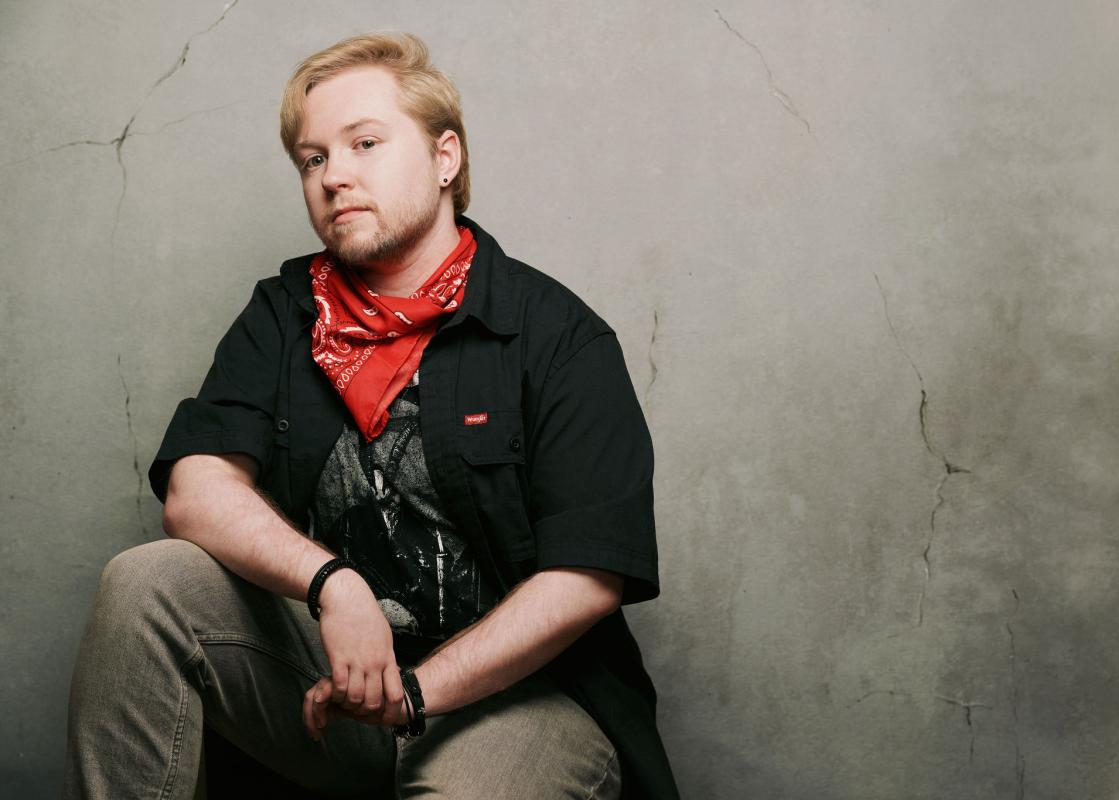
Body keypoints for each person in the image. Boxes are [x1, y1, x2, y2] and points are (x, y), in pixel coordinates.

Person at [61, 32, 678, 800]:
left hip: (519, 702)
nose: (334, 177)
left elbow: (587, 577)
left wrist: (417, 693)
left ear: (444, 157)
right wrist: (334, 584)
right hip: (333, 680)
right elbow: (195, 488)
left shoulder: (555, 335)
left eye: (365, 143)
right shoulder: (284, 314)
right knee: (145, 584)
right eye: (313, 159)